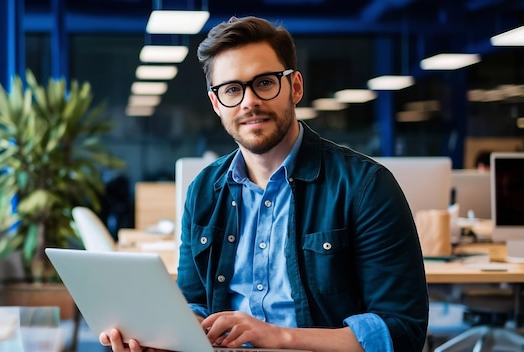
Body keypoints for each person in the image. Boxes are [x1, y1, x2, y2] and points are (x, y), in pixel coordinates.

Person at [100, 16, 428, 352]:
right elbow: (194, 302)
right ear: (216, 103)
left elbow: (401, 330)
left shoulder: (366, 186)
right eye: (231, 89)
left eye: (265, 83)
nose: (248, 102)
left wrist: (276, 336)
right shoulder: (202, 191)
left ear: (295, 87)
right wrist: (168, 334)